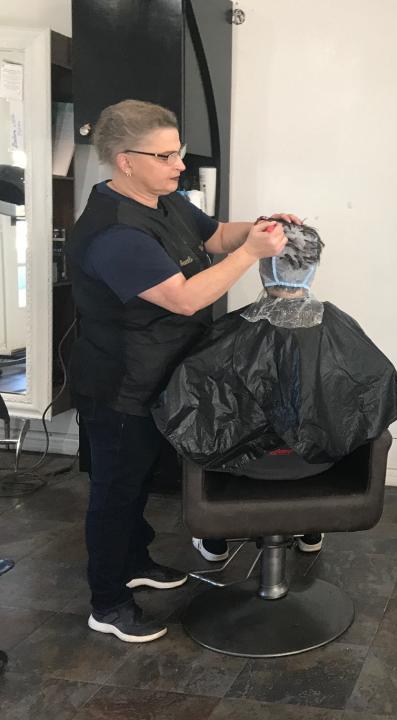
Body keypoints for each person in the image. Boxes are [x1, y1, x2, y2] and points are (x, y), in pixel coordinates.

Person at [67, 99, 297, 643]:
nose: (179, 165)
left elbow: (214, 235)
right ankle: (109, 601)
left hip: (161, 372)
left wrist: (265, 225)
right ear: (125, 160)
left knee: (141, 479)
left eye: (180, 153)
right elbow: (186, 298)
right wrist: (252, 255)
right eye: (166, 155)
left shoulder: (161, 200)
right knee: (114, 491)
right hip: (121, 385)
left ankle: (135, 560)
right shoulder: (113, 233)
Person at [154, 218, 397, 483]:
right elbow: (374, 388)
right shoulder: (339, 325)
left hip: (249, 463)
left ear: (263, 266)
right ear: (312, 267)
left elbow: (187, 404)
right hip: (318, 463)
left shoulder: (231, 330)